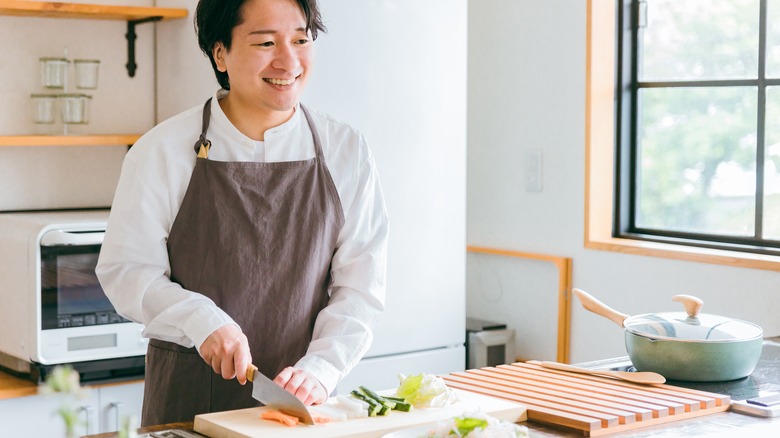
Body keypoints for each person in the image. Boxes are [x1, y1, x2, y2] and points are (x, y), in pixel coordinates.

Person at [96, 0, 388, 426]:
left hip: (300, 407)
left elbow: (360, 290)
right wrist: (200, 320)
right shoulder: (161, 151)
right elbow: (127, 270)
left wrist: (321, 370)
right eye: (266, 42)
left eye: (301, 39)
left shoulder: (347, 151)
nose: (288, 60)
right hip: (188, 405)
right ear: (220, 53)